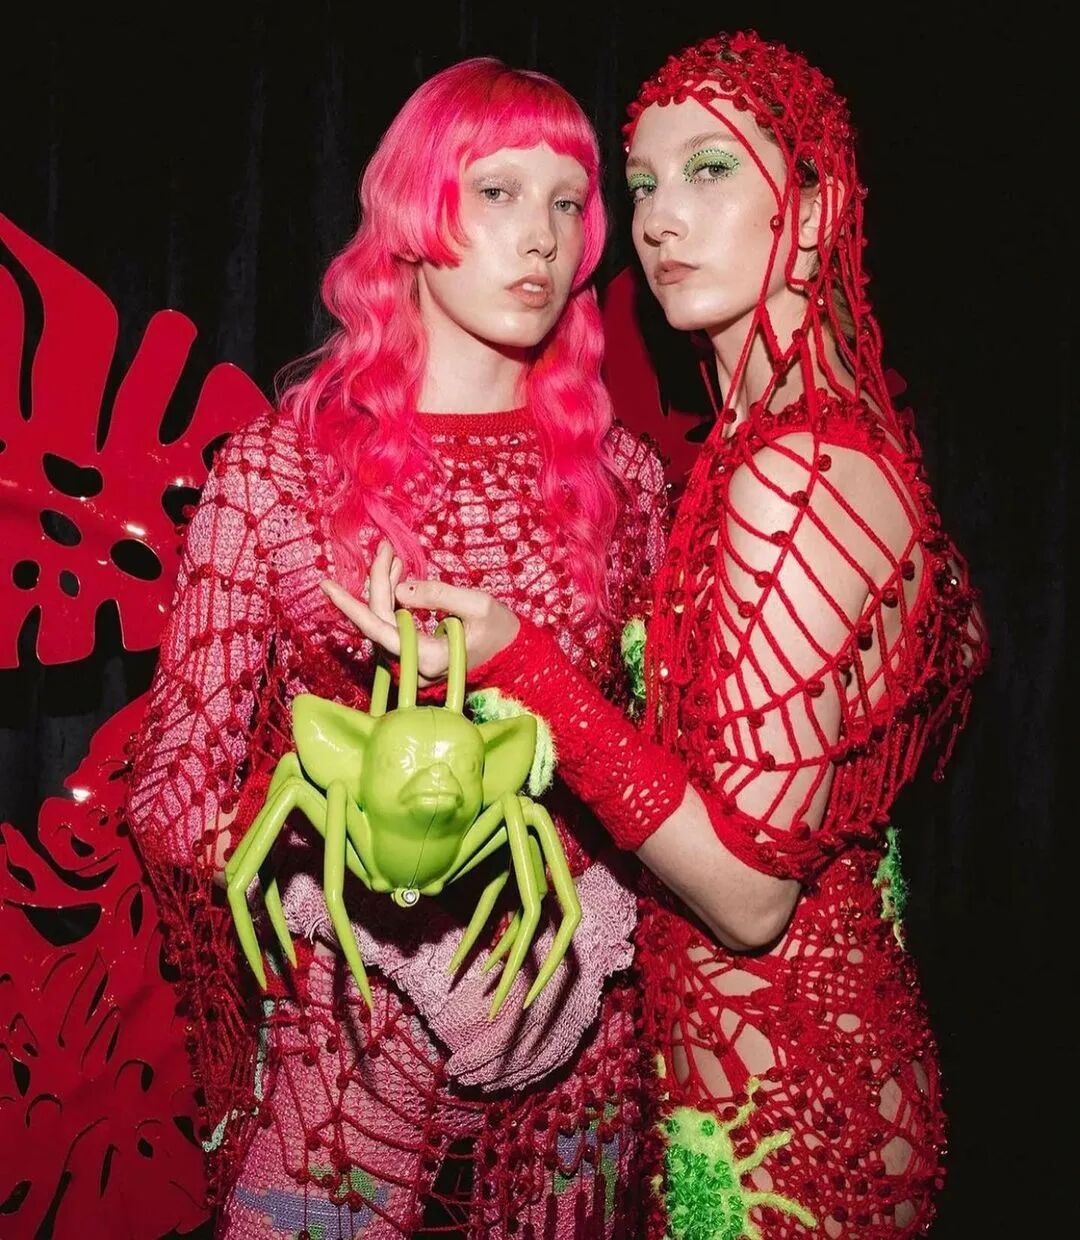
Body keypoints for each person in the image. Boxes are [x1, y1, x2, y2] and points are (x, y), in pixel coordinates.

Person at [329, 31, 988, 1238]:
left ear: (812, 211)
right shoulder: (781, 442)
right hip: (762, 1088)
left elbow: (749, 894)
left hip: (784, 1137)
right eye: (641, 186)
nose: (660, 219)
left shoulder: (793, 473)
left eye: (710, 171)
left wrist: (522, 665)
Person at [125, 57, 666, 1239]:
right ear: (417, 210)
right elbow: (172, 797)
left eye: (569, 202)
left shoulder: (623, 481)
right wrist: (374, 911)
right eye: (498, 192)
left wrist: (595, 903)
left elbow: (662, 769)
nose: (541, 236)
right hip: (349, 1061)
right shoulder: (279, 474)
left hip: (573, 1046)